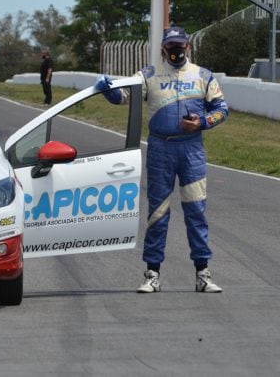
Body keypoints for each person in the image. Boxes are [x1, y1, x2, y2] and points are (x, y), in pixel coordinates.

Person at [95, 26, 228, 294]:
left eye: (180, 45)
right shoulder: (148, 75)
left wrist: (201, 122)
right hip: (160, 149)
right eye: (171, 46)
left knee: (196, 212)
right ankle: (151, 274)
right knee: (158, 213)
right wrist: (108, 90)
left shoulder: (203, 75)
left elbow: (222, 109)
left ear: (188, 47)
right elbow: (123, 97)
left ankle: (203, 273)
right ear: (162, 49)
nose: (176, 51)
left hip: (192, 151)